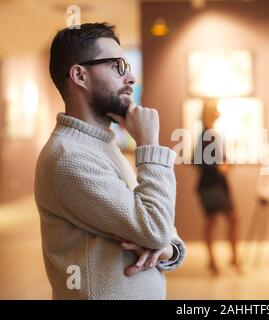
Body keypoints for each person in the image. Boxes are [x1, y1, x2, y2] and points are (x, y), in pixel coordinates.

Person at [34, 22, 185, 299]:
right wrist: (149, 145)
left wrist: (169, 248)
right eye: (118, 66)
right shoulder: (69, 157)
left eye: (127, 66)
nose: (130, 78)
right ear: (80, 75)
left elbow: (159, 227)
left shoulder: (99, 144)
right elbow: (154, 227)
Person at [194, 100, 241, 276]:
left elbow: (223, 159)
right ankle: (214, 262)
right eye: (214, 109)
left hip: (220, 185)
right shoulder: (205, 135)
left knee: (232, 219)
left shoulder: (214, 134)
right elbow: (196, 160)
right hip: (210, 186)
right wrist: (217, 166)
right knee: (213, 222)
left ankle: (233, 258)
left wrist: (226, 164)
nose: (217, 112)